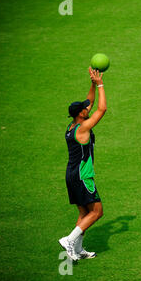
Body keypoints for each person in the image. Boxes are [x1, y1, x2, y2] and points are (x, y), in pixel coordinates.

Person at [59, 67, 107, 260]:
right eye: (85, 109)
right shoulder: (83, 128)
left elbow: (90, 101)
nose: (88, 108)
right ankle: (69, 240)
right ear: (81, 114)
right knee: (97, 212)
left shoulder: (72, 127)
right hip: (82, 176)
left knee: (84, 213)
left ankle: (77, 250)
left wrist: (92, 83)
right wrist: (101, 85)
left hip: (71, 175)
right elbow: (102, 109)